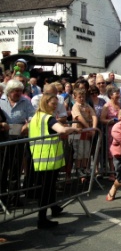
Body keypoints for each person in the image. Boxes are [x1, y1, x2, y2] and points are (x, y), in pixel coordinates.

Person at [29, 94, 80, 228]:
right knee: (47, 189)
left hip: (40, 158)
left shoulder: (36, 117)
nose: (55, 107)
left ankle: (54, 208)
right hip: (48, 159)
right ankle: (42, 219)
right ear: (45, 103)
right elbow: (62, 129)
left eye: (56, 104)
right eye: (53, 104)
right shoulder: (48, 118)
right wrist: (74, 128)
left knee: (48, 188)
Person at [100, 85, 121, 181]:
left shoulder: (120, 104)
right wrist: (112, 121)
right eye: (116, 93)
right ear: (110, 95)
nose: (118, 95)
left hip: (120, 130)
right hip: (111, 131)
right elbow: (102, 119)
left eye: (118, 93)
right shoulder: (107, 106)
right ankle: (112, 173)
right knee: (111, 152)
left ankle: (120, 171)